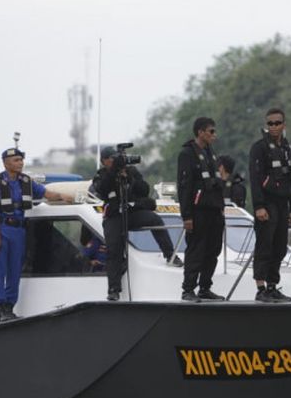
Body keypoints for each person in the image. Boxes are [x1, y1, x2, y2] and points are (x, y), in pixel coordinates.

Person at [0, 148, 72, 321]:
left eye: (21, 160)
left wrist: (63, 196)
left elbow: (46, 193)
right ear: (6, 163)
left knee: (14, 271)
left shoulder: (26, 181)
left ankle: (10, 307)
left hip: (18, 231)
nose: (20, 163)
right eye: (16, 160)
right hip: (2, 229)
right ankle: (1, 308)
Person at [93, 146, 183, 301]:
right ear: (104, 161)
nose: (115, 161)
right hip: (114, 216)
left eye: (116, 159)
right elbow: (102, 189)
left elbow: (145, 190)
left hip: (131, 212)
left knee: (155, 219)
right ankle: (114, 290)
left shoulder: (130, 171)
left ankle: (170, 255)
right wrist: (114, 171)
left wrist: (130, 176)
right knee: (114, 250)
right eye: (112, 159)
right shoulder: (101, 175)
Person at [248, 108, 291, 303]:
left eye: (277, 123)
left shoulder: (290, 149)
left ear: (284, 124)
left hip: (283, 204)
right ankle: (261, 289)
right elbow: (255, 178)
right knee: (264, 246)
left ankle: (272, 286)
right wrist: (259, 206)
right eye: (270, 124)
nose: (274, 127)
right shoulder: (259, 148)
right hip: (266, 203)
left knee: (279, 248)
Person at [177, 117, 226, 302]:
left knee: (213, 250)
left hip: (214, 210)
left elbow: (218, 183)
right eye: (211, 131)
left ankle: (205, 287)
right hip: (198, 211)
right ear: (200, 132)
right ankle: (188, 289)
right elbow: (184, 186)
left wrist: (221, 207)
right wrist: (187, 216)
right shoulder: (187, 154)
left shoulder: (210, 153)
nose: (214, 135)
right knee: (196, 250)